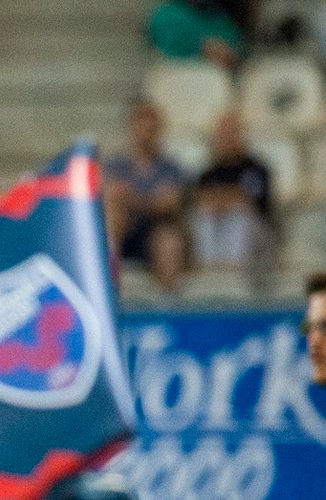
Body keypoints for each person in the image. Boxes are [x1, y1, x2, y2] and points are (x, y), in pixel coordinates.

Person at [103, 101, 189, 293]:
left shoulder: (170, 167)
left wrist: (130, 197)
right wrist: (149, 200)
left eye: (151, 128)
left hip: (154, 233)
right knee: (112, 218)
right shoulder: (115, 165)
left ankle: (168, 303)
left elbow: (168, 204)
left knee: (169, 240)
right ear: (132, 129)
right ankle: (107, 294)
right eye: (141, 127)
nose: (146, 134)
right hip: (124, 231)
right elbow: (111, 198)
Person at [193, 109, 274, 271]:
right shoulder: (208, 173)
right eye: (224, 133)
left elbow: (250, 202)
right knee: (203, 216)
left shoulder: (257, 169)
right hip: (217, 229)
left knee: (238, 215)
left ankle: (233, 270)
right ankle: (208, 268)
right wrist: (230, 198)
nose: (229, 138)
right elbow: (202, 202)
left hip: (255, 231)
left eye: (233, 132)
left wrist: (221, 199)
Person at [149, 0, 244, 68]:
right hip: (182, 81)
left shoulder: (223, 21)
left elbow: (235, 54)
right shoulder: (165, 17)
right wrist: (205, 45)